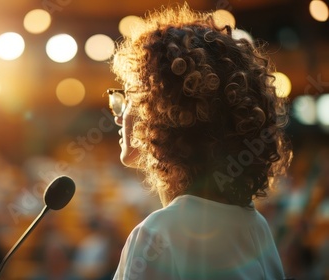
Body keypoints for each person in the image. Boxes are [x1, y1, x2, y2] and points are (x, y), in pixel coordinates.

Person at [106, 3, 292, 279]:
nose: (119, 118)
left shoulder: (156, 235)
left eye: (129, 95)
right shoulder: (254, 225)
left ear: (159, 111)